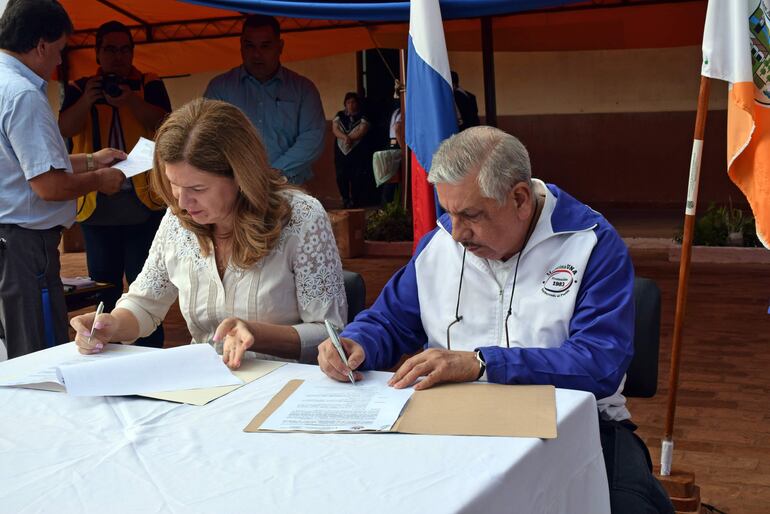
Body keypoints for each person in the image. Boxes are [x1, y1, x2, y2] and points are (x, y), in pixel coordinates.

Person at [318, 126, 675, 513]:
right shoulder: (439, 244)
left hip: (575, 425)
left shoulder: (590, 243)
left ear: (520, 198)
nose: (456, 233)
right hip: (449, 420)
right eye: (449, 212)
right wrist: (357, 343)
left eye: (471, 215)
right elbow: (389, 321)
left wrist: (481, 364)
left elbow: (599, 363)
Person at [70, 98, 347, 368]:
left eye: (198, 189)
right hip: (205, 385)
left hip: (284, 385)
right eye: (173, 184)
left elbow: (330, 333)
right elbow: (145, 302)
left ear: (241, 176)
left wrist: (258, 335)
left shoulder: (301, 217)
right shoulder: (178, 220)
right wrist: (112, 324)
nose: (182, 202)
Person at [0, 0, 125, 359]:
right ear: (41, 45)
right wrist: (100, 179)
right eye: (58, 51)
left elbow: (23, 164)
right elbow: (48, 185)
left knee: (16, 347)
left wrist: (89, 160)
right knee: (37, 352)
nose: (59, 62)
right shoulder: (23, 93)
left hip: (11, 240)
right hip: (25, 247)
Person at [59, 20, 171, 348]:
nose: (118, 57)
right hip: (97, 204)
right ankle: (104, 345)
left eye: (125, 49)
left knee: (146, 285)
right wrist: (88, 98)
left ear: (133, 52)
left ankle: (150, 350)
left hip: (144, 202)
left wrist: (131, 101)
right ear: (97, 52)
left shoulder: (147, 83)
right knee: (105, 287)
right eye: (110, 49)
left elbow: (166, 122)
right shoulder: (80, 86)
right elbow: (64, 127)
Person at [204, 15, 325, 185]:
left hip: (289, 186)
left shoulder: (303, 89)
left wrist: (275, 172)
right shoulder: (220, 89)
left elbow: (312, 138)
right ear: (241, 47)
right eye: (249, 46)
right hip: (236, 189)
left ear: (280, 47)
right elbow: (209, 137)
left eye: (265, 46)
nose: (256, 54)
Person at [332, 92, 373, 208]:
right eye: (348, 102)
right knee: (341, 175)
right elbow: (335, 129)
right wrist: (345, 137)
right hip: (341, 150)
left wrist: (350, 138)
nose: (351, 105)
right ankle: (345, 199)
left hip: (357, 150)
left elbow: (363, 130)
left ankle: (355, 200)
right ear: (345, 104)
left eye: (353, 102)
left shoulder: (363, 116)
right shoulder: (340, 115)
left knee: (356, 175)